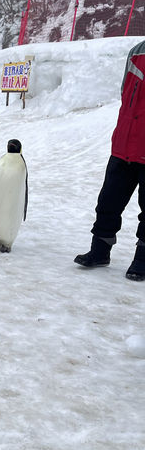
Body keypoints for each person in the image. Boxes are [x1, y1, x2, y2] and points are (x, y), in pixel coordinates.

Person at [74, 39, 145, 281]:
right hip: (123, 145)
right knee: (108, 202)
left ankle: (142, 259)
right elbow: (125, 93)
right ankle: (100, 251)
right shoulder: (137, 51)